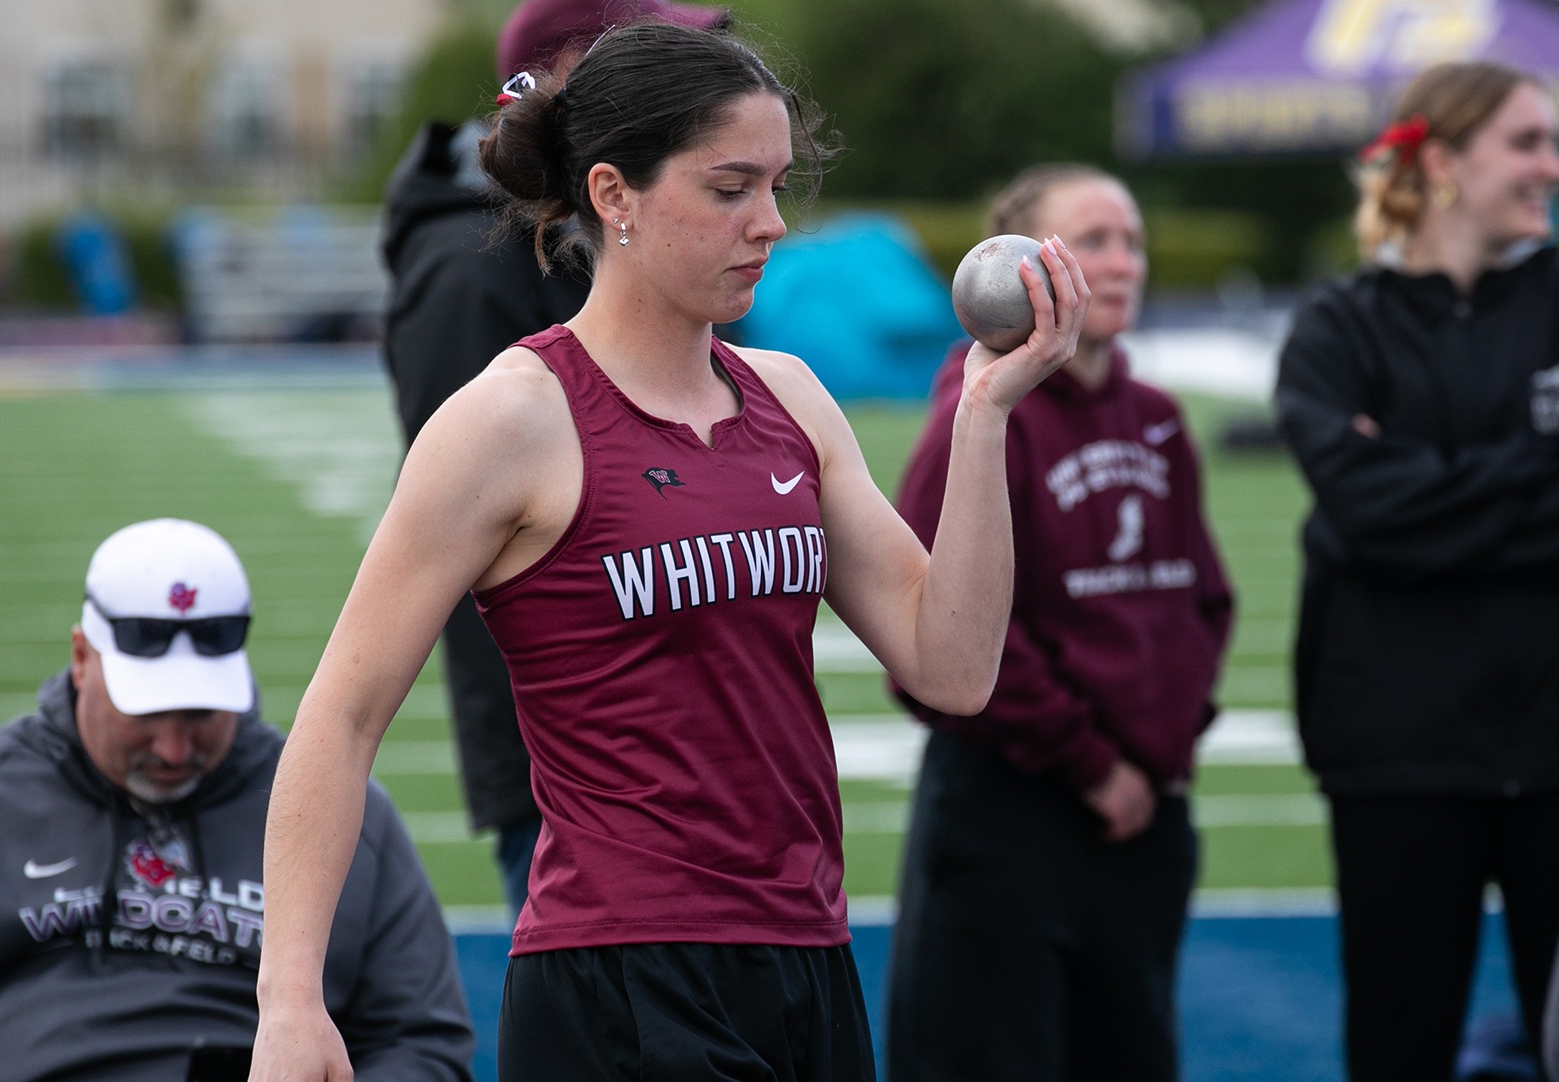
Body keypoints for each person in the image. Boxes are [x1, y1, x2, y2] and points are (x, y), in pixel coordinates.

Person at [250, 21, 1090, 1082]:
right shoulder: (512, 418)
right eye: (731, 187)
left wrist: (982, 416)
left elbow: (955, 665)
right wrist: (289, 998)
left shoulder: (790, 397)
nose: (772, 223)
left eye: (779, 186)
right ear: (614, 195)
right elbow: (342, 714)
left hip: (806, 957)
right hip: (618, 978)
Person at [0, 519, 473, 1082]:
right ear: (80, 657)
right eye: (146, 714)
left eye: (199, 715)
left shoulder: (343, 815)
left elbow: (423, 1044)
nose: (172, 749)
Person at [882, 164, 1234, 1082]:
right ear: (1018, 265)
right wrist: (1091, 764)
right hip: (1011, 820)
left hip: (1143, 819)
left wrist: (1164, 746)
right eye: (1093, 242)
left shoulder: (1157, 417)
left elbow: (1204, 598)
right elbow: (944, 634)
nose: (1121, 264)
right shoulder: (979, 419)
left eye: (1134, 242)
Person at [381, 0, 727, 917]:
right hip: (577, 772)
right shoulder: (471, 270)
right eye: (663, 59)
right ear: (571, 85)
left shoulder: (649, 234)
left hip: (701, 753)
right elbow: (482, 533)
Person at [1271, 61, 1559, 1082]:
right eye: (1527, 143)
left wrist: (1423, 489)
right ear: (1441, 160)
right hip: (1398, 750)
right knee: (1401, 1045)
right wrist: (1536, 471)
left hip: (1551, 749)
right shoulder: (1340, 326)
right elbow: (1365, 510)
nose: (1551, 167)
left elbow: (1395, 510)